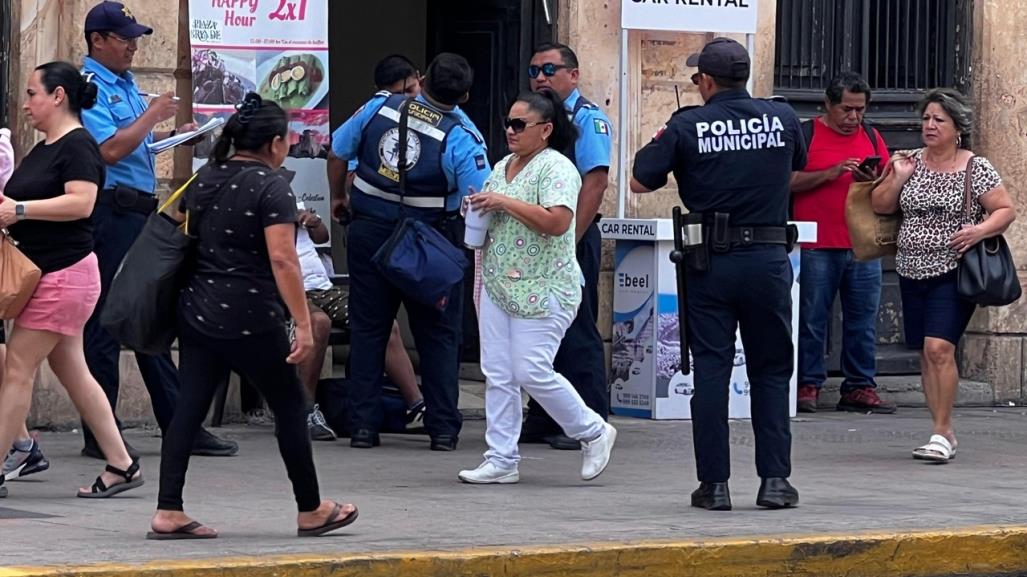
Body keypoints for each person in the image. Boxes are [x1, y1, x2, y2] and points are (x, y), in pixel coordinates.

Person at [148, 93, 357, 539]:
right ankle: (311, 509)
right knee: (289, 405)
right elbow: (284, 259)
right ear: (275, 143)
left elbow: (179, 226)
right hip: (250, 315)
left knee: (189, 406)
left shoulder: (206, 178)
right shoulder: (271, 185)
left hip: (198, 310)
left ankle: (168, 508)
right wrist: (303, 323)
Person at [630, 38, 806, 510]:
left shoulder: (687, 124)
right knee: (771, 369)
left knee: (710, 370)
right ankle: (775, 482)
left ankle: (715, 486)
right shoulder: (784, 117)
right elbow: (797, 164)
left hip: (711, 263)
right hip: (768, 261)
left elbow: (640, 178)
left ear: (705, 81)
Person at [79, 0, 236, 459]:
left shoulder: (125, 85)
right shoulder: (91, 87)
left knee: (149, 316)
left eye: (135, 38)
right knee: (110, 320)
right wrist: (153, 117)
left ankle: (179, 423)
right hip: (110, 212)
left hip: (137, 210)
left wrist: (177, 134)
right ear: (98, 41)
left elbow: (136, 148)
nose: (133, 46)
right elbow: (108, 150)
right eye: (125, 38)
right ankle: (101, 432)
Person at [327, 53, 491, 451]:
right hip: (428, 243)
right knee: (438, 335)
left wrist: (337, 196)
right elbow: (481, 199)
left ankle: (363, 427)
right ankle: (443, 430)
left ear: (421, 79)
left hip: (369, 233)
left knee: (369, 330)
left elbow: (337, 151)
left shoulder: (378, 107)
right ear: (465, 95)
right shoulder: (461, 137)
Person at [457, 90, 617, 484]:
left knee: (531, 367)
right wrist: (478, 206)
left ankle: (592, 430)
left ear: (545, 130)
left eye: (519, 125)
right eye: (508, 123)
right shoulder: (503, 166)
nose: (510, 131)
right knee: (498, 371)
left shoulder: (557, 168)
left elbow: (557, 221)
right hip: (500, 284)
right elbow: (496, 212)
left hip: (544, 286)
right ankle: (501, 458)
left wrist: (503, 203)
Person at [0, 61, 142, 500]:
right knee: (75, 372)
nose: (25, 104)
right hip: (57, 273)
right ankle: (121, 461)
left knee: (17, 370)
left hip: (63, 275)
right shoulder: (47, 147)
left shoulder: (78, 146)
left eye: (32, 94)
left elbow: (82, 204)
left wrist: (18, 211)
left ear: (58, 96)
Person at [871, 88, 1014, 463]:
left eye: (939, 120)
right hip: (909, 268)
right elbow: (880, 205)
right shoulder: (908, 161)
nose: (930, 126)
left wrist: (979, 231)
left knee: (940, 348)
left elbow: (1004, 211)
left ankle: (942, 430)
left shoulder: (975, 167)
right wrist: (898, 177)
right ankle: (939, 427)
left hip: (954, 270)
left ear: (957, 128)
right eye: (926, 119)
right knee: (925, 353)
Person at [520, 43, 612, 451]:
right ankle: (544, 416)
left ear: (573, 75)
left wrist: (569, 238)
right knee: (542, 329)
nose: (540, 77)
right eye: (535, 70)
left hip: (571, 236)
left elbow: (595, 183)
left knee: (577, 327)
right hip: (539, 236)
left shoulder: (587, 120)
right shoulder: (539, 119)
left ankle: (589, 420)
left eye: (550, 69)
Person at [790, 72, 896, 415]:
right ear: (828, 105)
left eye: (860, 110)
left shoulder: (871, 135)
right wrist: (830, 173)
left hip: (862, 243)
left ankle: (860, 386)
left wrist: (873, 179)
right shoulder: (806, 134)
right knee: (811, 318)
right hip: (816, 243)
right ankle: (807, 384)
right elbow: (785, 181)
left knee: (863, 319)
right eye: (846, 110)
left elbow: (887, 186)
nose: (853, 118)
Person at [292, 200, 422, 440]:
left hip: (323, 289)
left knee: (382, 322)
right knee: (319, 324)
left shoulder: (292, 200)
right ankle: (305, 411)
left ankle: (416, 406)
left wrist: (314, 221)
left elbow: (322, 237)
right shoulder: (258, 206)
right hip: (286, 292)